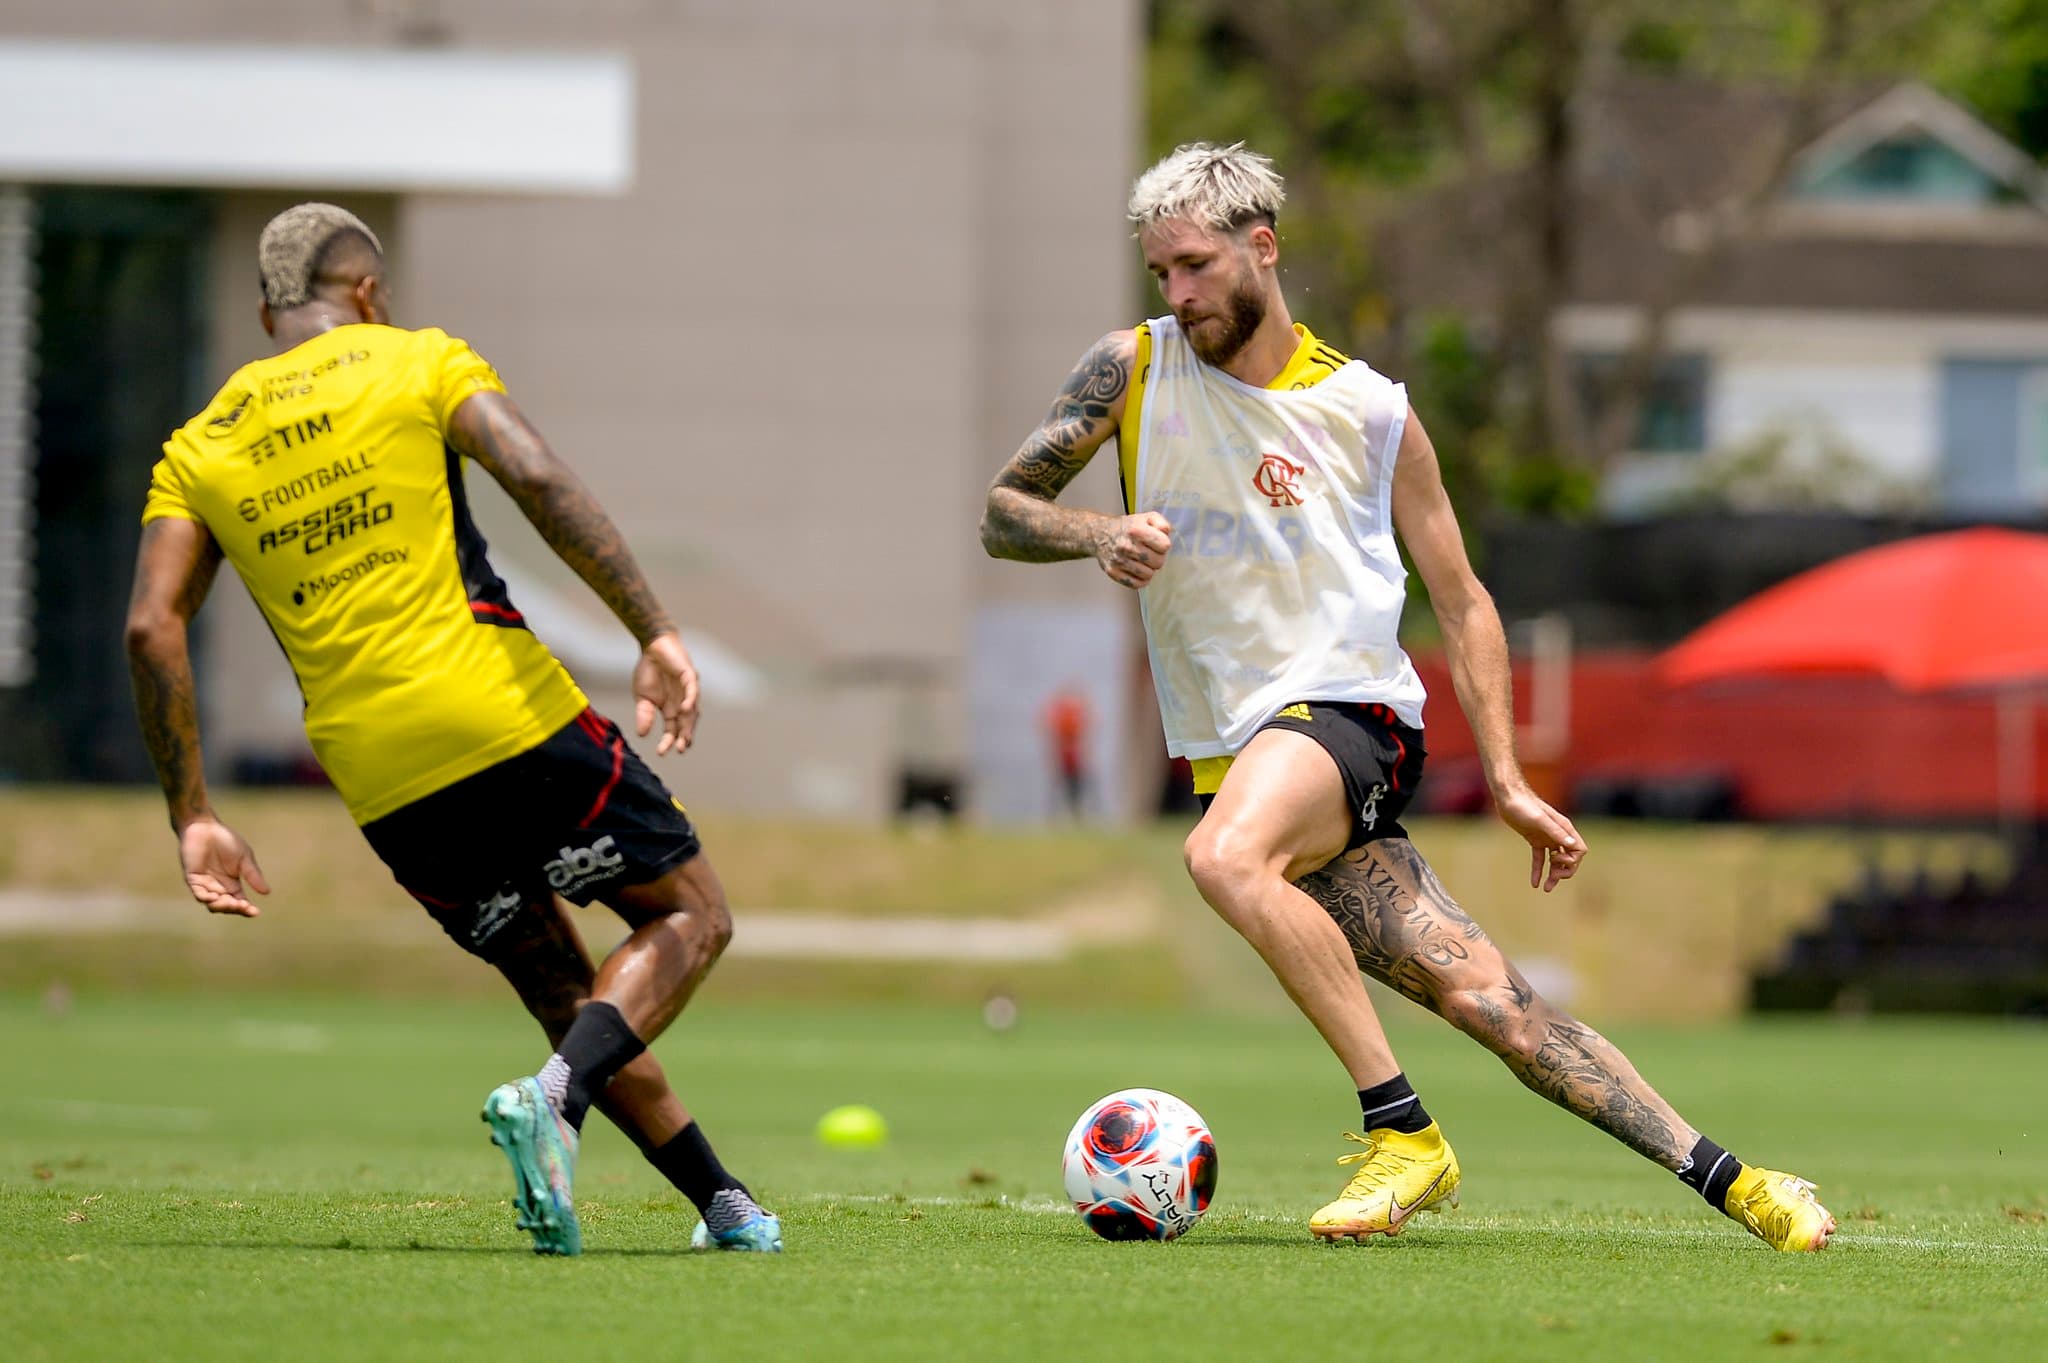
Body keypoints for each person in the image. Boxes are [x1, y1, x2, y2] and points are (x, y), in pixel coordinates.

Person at [980, 144, 1834, 1252]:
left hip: (1351, 721)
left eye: (1194, 266)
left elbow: (1464, 600)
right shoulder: (1130, 373)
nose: (1177, 294)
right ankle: (1745, 1185)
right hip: (1245, 765)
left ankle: (1400, 1132)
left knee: (1221, 860)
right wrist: (1099, 531)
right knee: (1497, 1011)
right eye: (1160, 275)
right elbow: (1003, 511)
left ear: (1260, 247)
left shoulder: (1370, 409)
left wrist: (1515, 781)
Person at [124, 204, 780, 1256]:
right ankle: (556, 1099)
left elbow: (153, 626)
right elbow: (537, 475)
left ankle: (723, 1204)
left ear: (266, 314)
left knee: (562, 988)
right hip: (497, 707)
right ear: (369, 295)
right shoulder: (416, 361)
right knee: (691, 917)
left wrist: (192, 813)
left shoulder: (199, 446)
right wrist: (653, 631)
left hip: (378, 777)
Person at [1041, 685, 1093, 817]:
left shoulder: (1070, 714)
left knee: (1073, 789)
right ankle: (1059, 815)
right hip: (1066, 760)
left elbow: (1083, 736)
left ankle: (1074, 814)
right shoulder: (1065, 714)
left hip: (1073, 760)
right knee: (1063, 788)